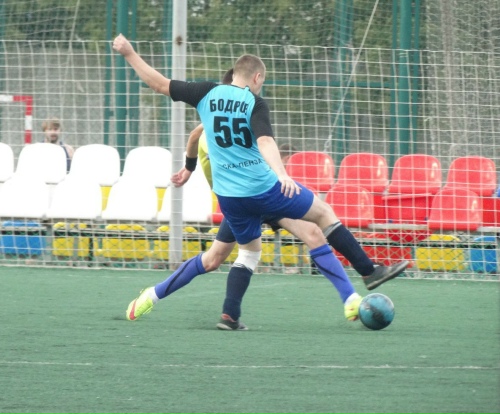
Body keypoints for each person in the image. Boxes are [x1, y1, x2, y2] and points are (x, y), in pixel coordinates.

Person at [113, 35, 408, 330]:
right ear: (256, 78)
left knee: (237, 254)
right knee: (323, 215)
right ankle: (368, 271)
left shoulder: (206, 95)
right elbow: (265, 140)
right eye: (261, 82)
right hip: (264, 191)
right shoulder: (253, 103)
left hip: (232, 199)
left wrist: (129, 53)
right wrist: (282, 174)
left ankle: (186, 304)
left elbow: (159, 85)